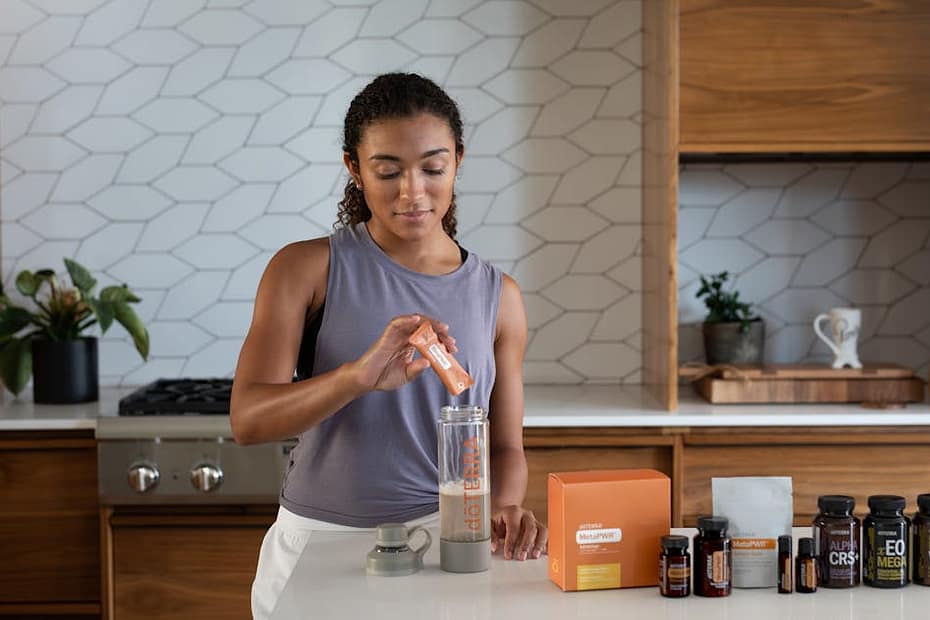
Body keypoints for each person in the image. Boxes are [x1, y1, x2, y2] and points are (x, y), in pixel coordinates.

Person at [230, 72, 547, 618]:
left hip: (447, 544)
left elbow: (505, 448)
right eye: (388, 171)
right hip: (321, 542)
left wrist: (507, 505)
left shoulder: (501, 297)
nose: (412, 192)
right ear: (354, 168)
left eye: (432, 168)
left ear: (458, 160)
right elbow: (248, 420)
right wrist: (357, 377)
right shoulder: (304, 269)